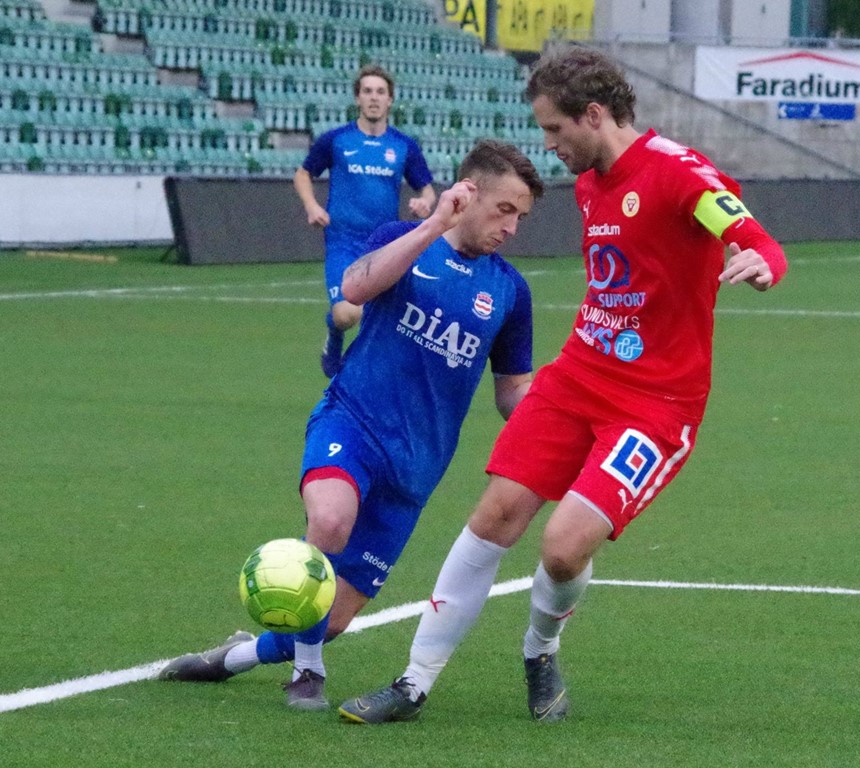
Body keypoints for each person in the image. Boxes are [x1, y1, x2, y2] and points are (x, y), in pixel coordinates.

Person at [338, 45, 789, 725]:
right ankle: (413, 682)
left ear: (595, 114)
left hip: (658, 405)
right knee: (494, 515)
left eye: (554, 130)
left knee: (561, 545)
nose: (549, 146)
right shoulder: (587, 185)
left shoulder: (677, 173)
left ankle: (539, 650)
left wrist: (761, 262)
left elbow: (757, 239)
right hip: (577, 376)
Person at [159, 139, 544, 710]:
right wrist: (434, 223)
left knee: (330, 617)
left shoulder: (510, 291)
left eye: (522, 217)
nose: (512, 228)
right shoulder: (403, 239)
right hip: (353, 422)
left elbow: (513, 391)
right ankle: (307, 672)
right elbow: (356, 288)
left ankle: (236, 657)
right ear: (469, 194)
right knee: (331, 521)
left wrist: (565, 414)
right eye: (505, 210)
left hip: (416, 468)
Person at [294, 63, 437, 378]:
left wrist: (424, 203)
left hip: (383, 245)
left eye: (380, 92)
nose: (374, 98)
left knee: (393, 317)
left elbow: (427, 189)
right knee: (347, 314)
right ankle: (334, 334)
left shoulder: (403, 146)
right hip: (343, 241)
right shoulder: (337, 140)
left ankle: (367, 374)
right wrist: (311, 206)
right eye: (367, 91)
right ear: (357, 98)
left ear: (390, 100)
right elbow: (304, 173)